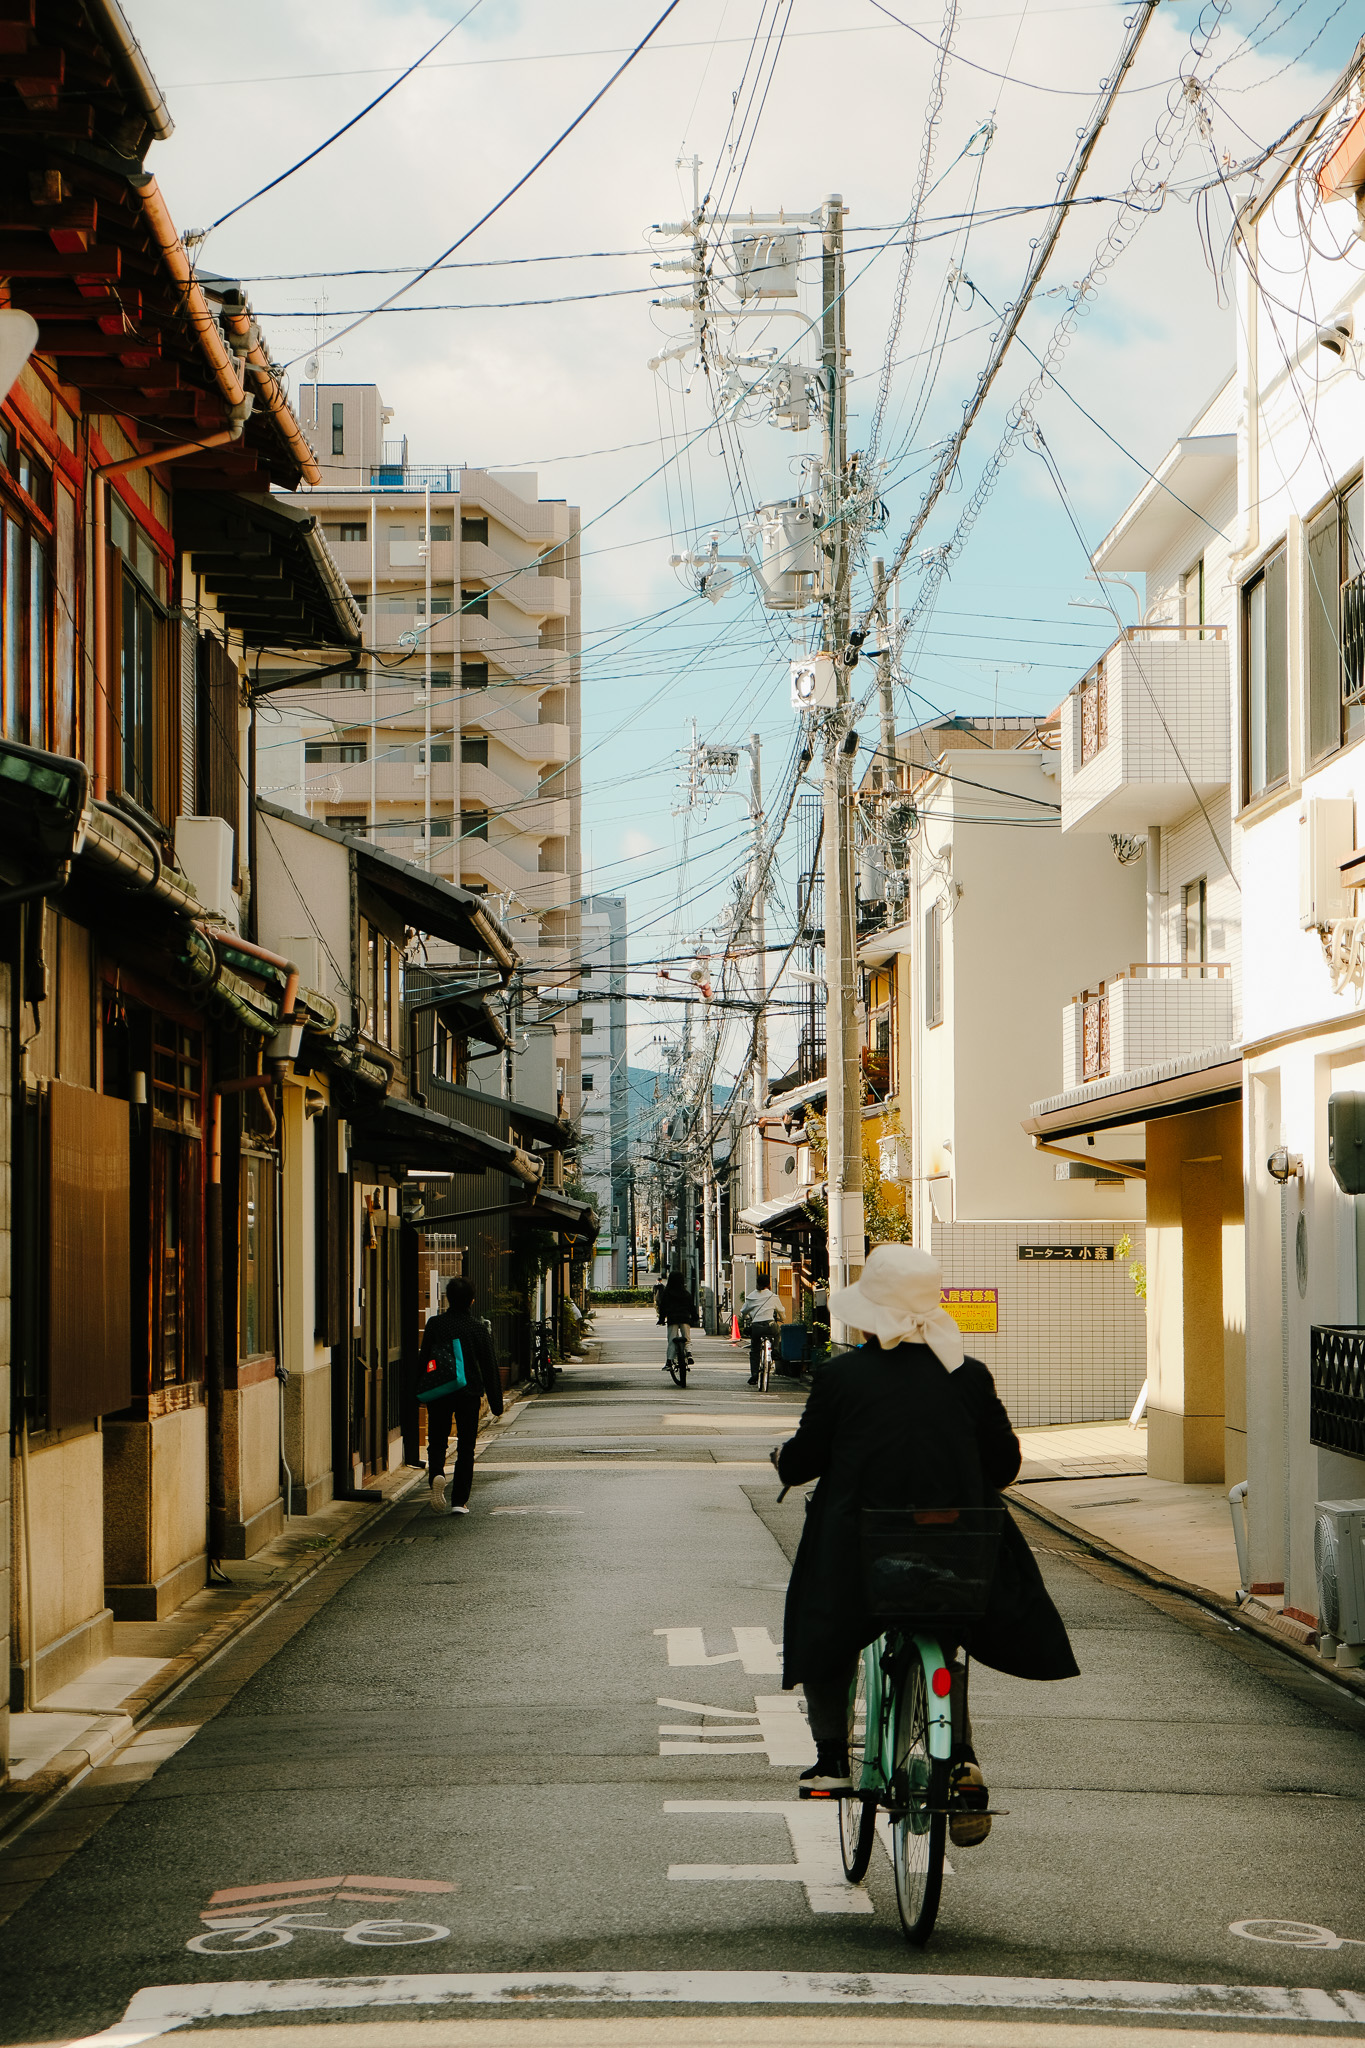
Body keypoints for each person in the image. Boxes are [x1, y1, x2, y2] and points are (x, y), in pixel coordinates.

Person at [773, 1243, 1077, 1847]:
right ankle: (959, 1757)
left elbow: (805, 1459)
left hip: (860, 1548)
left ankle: (832, 1758)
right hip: (961, 1544)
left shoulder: (841, 1375)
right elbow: (1005, 1464)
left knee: (824, 1623)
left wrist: (786, 1461)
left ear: (871, 1311)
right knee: (949, 1623)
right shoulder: (967, 1373)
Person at [419, 1274, 504, 1515]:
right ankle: (459, 1501)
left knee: (437, 1441)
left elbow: (424, 1359)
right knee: (466, 1446)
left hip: (439, 1392)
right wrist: (496, 1404)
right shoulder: (477, 1328)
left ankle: (436, 1475)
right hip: (468, 1393)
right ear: (472, 1301)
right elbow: (489, 1367)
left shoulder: (435, 1325)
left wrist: (418, 1392)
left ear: (448, 1299)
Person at [743, 1280, 784, 1385]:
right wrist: (782, 1318)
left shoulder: (751, 1296)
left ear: (757, 1284)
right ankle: (775, 1350)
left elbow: (743, 1311)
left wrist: (746, 1317)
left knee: (755, 1350)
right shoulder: (773, 1296)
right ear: (769, 1285)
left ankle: (754, 1374)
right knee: (778, 1332)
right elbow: (781, 1311)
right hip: (770, 1325)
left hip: (756, 1327)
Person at [655, 1268, 697, 1371]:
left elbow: (663, 1308)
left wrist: (661, 1319)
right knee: (687, 1338)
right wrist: (694, 1317)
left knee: (672, 1340)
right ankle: (689, 1353)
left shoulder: (667, 1293)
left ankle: (669, 1361)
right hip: (684, 1318)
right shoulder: (686, 1293)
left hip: (672, 1318)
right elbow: (691, 1307)